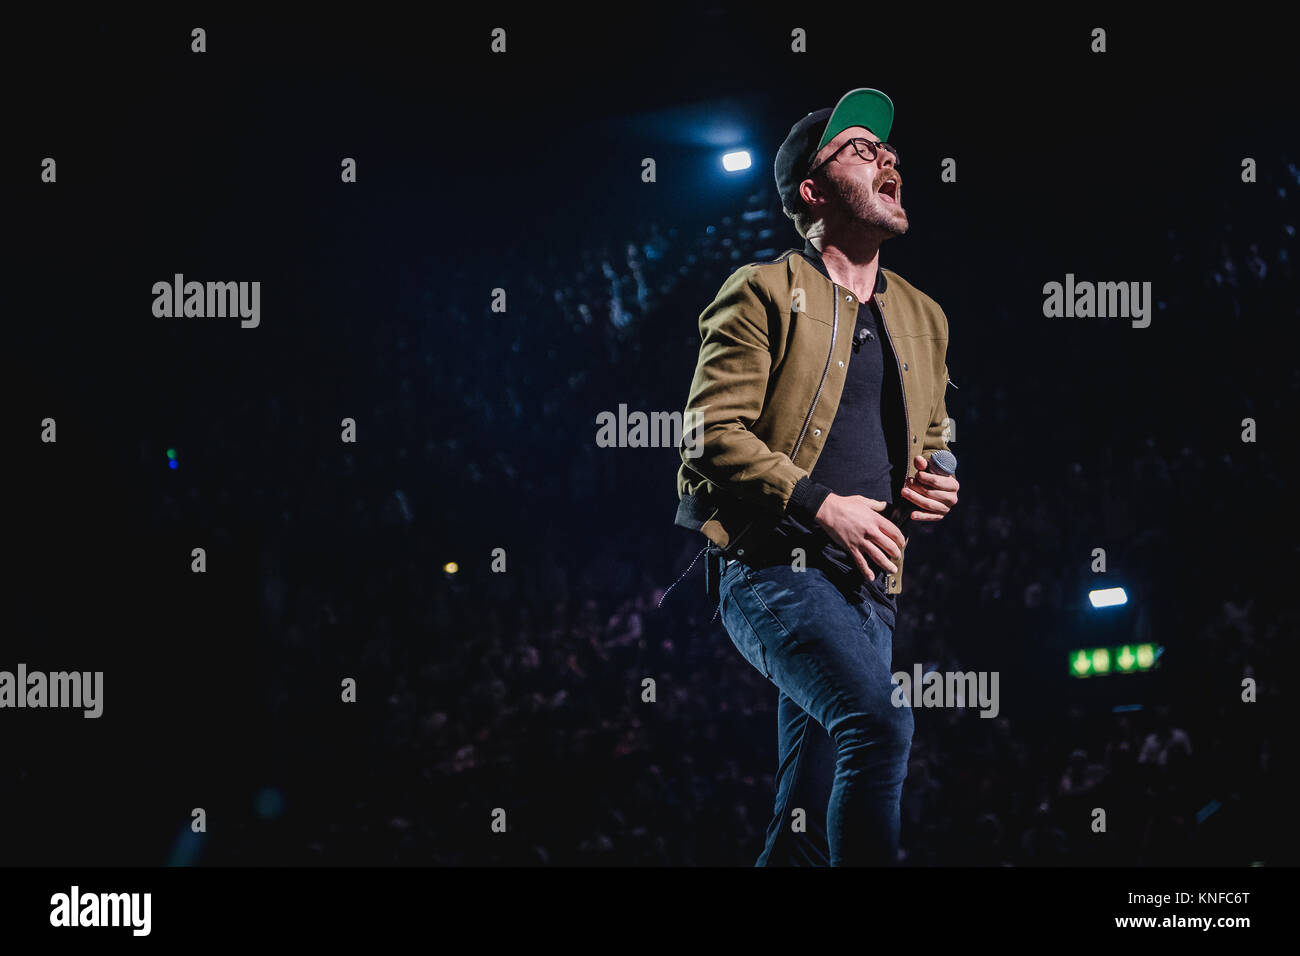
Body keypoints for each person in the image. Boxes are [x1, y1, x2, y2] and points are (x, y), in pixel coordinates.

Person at [673, 88, 960, 865]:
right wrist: (822, 504)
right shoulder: (762, 292)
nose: (889, 158)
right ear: (813, 187)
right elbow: (706, 434)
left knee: (803, 813)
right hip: (770, 567)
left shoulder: (924, 315)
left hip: (868, 588)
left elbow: (934, 433)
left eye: (889, 150)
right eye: (863, 150)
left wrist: (940, 475)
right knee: (881, 722)